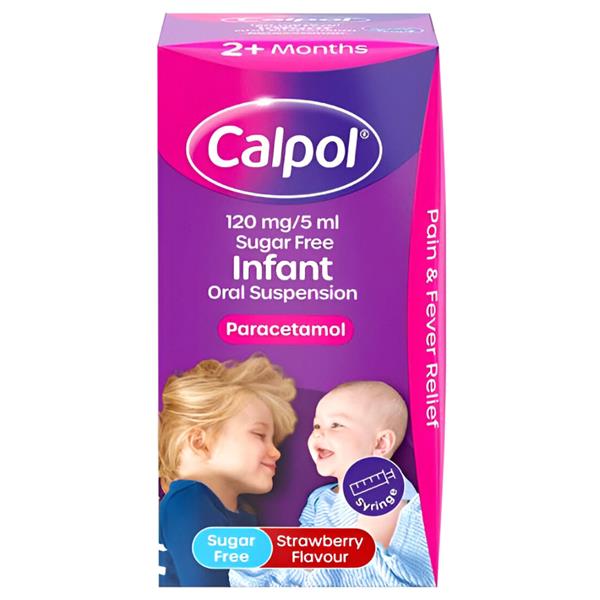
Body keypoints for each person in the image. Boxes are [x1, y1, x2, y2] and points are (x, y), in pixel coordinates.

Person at [230, 381, 434, 587]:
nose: (318, 433)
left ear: (380, 443)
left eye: (336, 425)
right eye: (316, 426)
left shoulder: (383, 488)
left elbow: (366, 558)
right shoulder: (320, 498)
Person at [158, 355, 297, 586]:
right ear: (200, 442)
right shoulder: (188, 502)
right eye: (259, 435)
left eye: (273, 441)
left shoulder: (241, 517)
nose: (276, 452)